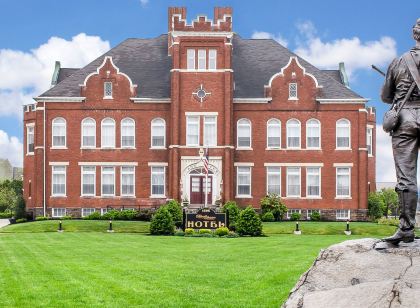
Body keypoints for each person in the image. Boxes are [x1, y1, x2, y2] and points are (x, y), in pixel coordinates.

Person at [380, 18, 420, 245]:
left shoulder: (399, 62)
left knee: (406, 177)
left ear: (415, 35)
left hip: (405, 119)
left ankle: (406, 229)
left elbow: (386, 96)